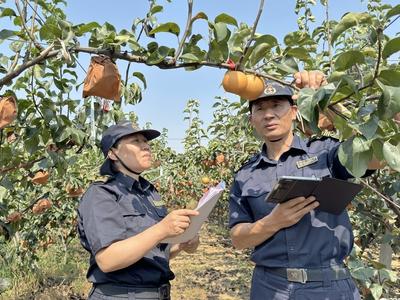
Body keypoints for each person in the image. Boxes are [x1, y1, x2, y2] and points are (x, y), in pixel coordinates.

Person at [228, 71, 382, 300]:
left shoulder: (325, 152)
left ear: (294, 111)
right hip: (270, 286)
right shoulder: (245, 175)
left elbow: (374, 157)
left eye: (276, 105)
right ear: (252, 120)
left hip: (329, 285)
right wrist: (273, 222)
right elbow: (238, 238)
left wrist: (327, 97)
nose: (268, 115)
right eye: (260, 109)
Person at [77, 120, 200, 300]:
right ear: (113, 153)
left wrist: (181, 244)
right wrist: (162, 229)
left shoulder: (149, 193)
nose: (146, 147)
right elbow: (107, 260)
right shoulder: (102, 194)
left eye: (146, 142)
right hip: (122, 295)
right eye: (136, 142)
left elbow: (155, 251)